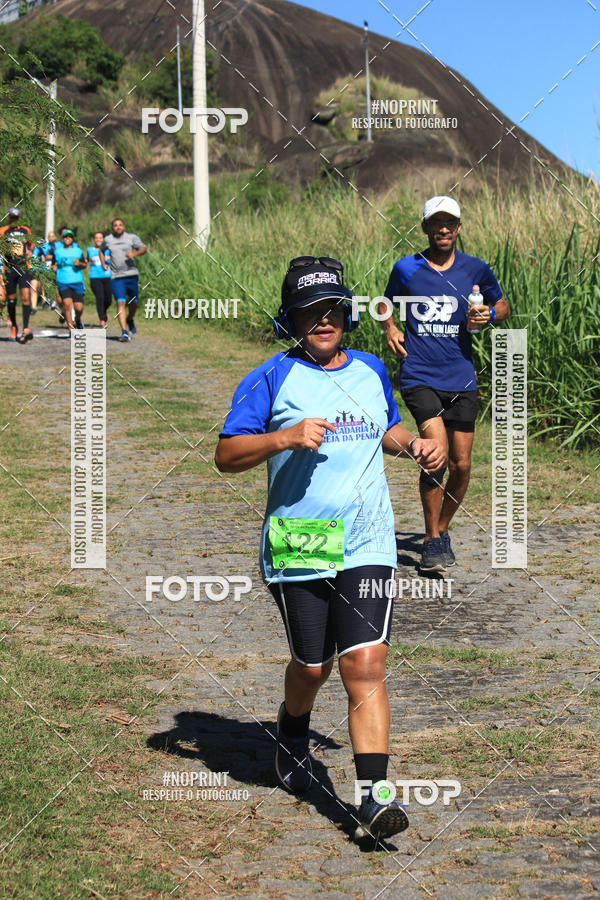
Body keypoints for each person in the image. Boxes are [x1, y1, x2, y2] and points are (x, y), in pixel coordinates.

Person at [215, 256, 446, 842]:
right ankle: (292, 730)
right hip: (299, 542)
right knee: (312, 665)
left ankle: (374, 800)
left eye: (332, 310)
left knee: (363, 665)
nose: (323, 320)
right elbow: (226, 455)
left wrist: (412, 444)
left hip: (369, 541)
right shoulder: (271, 377)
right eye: (309, 312)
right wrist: (283, 437)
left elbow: (385, 427)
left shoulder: (370, 368)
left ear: (346, 314)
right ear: (292, 319)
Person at [379, 196, 510, 575]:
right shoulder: (407, 268)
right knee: (435, 454)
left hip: (462, 377)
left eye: (449, 222)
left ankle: (442, 528)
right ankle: (431, 541)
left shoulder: (475, 269)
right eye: (436, 223)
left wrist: (488, 313)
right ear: (425, 228)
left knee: (462, 465)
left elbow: (502, 306)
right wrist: (389, 327)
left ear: (458, 227)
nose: (443, 229)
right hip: (419, 375)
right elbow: (385, 303)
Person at [100, 218, 146, 342]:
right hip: (116, 277)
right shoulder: (108, 240)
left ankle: (130, 318)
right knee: (120, 302)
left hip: (131, 275)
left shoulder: (131, 237)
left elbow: (143, 248)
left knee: (134, 302)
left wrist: (134, 254)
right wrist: (103, 263)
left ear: (124, 227)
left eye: (120, 225)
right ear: (112, 228)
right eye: (115, 225)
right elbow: (101, 250)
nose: (118, 227)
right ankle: (124, 331)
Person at [0, 207, 34, 343]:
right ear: (8, 217)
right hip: (9, 269)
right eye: (11, 217)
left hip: (23, 268)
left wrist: (29, 252)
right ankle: (14, 326)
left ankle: (26, 328)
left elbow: (31, 245)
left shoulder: (25, 230)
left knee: (26, 297)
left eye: (16, 217)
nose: (14, 220)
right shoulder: (3, 231)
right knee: (12, 301)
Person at [52, 229, 86, 333]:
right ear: (63, 239)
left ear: (72, 239)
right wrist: (53, 268)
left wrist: (79, 264)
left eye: (70, 237)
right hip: (63, 281)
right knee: (67, 305)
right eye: (66, 237)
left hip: (76, 281)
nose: (68, 238)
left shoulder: (78, 251)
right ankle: (71, 330)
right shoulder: (57, 252)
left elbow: (84, 265)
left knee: (79, 308)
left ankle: (78, 319)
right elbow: (53, 264)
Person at [87, 231, 112, 326]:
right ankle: (102, 319)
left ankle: (104, 311)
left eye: (100, 238)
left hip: (107, 276)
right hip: (94, 277)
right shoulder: (89, 250)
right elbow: (86, 260)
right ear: (94, 239)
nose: (98, 240)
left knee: (108, 299)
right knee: (100, 297)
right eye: (96, 238)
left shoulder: (107, 250)